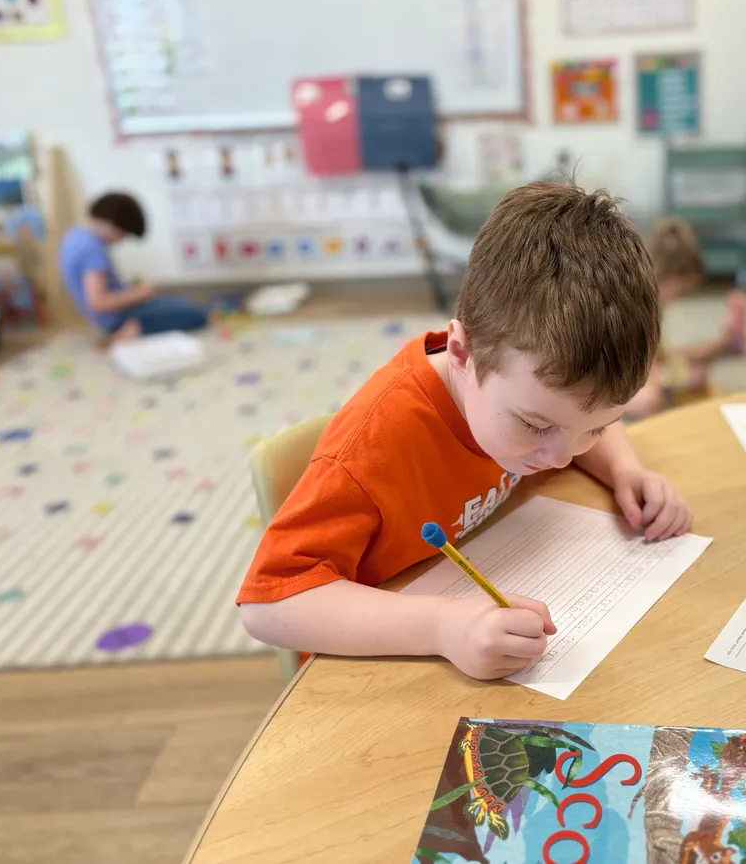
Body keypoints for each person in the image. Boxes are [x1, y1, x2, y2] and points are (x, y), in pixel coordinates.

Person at [237, 181, 693, 681]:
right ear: (461, 352)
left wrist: (624, 468)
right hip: (371, 674)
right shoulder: (372, 447)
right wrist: (441, 627)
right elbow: (266, 606)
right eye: (535, 425)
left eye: (597, 428)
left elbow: (574, 420)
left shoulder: (526, 396)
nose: (564, 457)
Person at [625, 217, 746, 419]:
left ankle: (725, 342)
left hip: (641, 364)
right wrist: (680, 378)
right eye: (680, 290)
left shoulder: (654, 304)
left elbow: (659, 355)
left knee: (678, 361)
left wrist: (707, 351)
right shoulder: (633, 310)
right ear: (665, 275)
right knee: (650, 400)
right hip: (606, 381)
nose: (678, 299)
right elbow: (633, 374)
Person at [59, 192, 210, 344]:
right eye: (123, 234)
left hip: (110, 315)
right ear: (111, 224)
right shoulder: (92, 250)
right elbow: (98, 302)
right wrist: (139, 293)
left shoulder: (75, 236)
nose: (121, 240)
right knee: (196, 316)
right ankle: (133, 330)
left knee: (177, 304)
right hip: (117, 317)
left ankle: (134, 327)